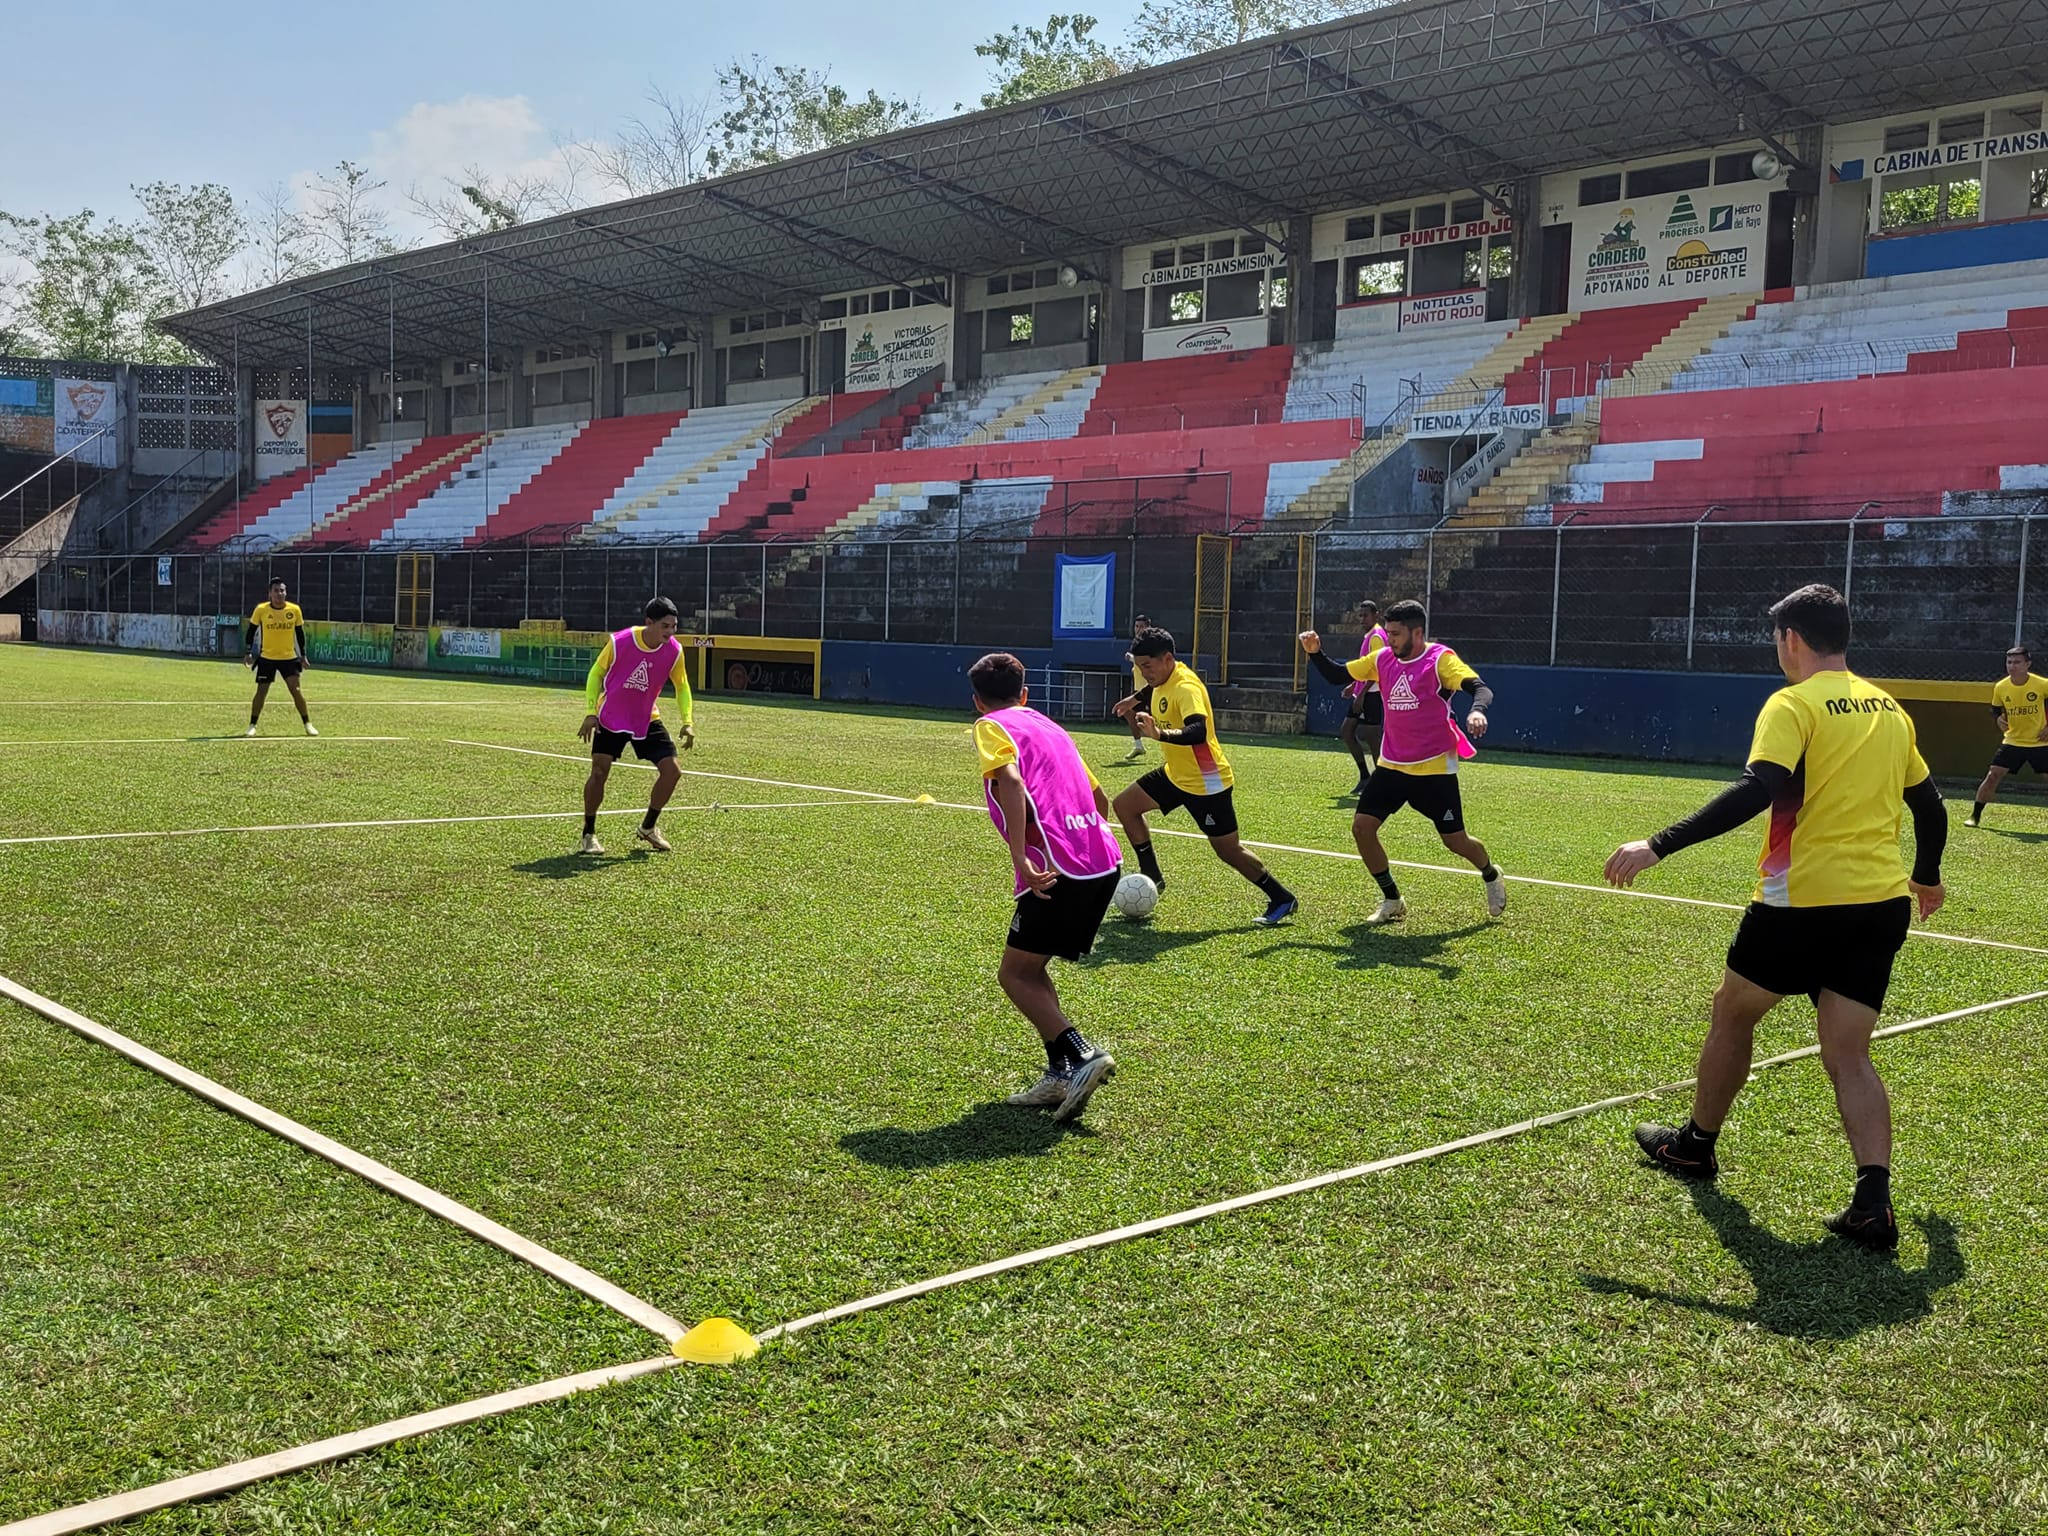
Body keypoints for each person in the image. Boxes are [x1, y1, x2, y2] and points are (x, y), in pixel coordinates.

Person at [1603, 583, 1948, 1253]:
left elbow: (1758, 791)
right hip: (1879, 906)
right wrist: (1926, 876)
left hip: (1800, 902)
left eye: (1777, 640)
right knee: (1849, 1053)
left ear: (1791, 639)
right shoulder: (1889, 708)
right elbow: (1930, 809)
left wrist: (1657, 844)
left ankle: (1695, 1147)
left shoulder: (1792, 705)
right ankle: (1873, 1199)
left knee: (1733, 1011)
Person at [972, 651, 1122, 1122]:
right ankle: (1059, 1076)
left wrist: (1021, 856)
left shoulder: (992, 727)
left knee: (1014, 975)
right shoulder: (1051, 727)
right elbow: (1099, 797)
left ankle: (1082, 1054)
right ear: (1026, 693)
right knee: (1033, 971)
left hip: (1058, 869)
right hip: (1101, 862)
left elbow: (1011, 783)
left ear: (978, 701)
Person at [1300, 599, 1505, 925]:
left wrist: (1477, 710)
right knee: (1362, 828)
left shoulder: (1440, 660)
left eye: (1396, 634)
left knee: (1455, 841)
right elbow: (1338, 675)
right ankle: (1392, 899)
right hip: (1392, 765)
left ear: (1417, 632)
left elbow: (1479, 688)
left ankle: (1490, 873)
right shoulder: (1382, 659)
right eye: (1389, 632)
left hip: (1434, 767)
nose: (1389, 639)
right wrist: (1314, 651)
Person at [1111, 627, 1298, 925]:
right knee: (1124, 805)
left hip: (1206, 782)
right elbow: (1154, 688)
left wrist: (1158, 733)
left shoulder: (1186, 687)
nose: (1143, 672)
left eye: (1147, 666)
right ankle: (1153, 877)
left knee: (1228, 850)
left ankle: (1281, 897)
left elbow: (1198, 731)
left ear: (1167, 658)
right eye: (1138, 666)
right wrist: (1134, 699)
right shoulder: (1164, 676)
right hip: (1176, 775)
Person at [576, 597, 696, 855]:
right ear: (649, 623)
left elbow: (682, 685)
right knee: (599, 773)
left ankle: (648, 827)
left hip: (646, 717)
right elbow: (596, 673)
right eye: (665, 626)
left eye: (674, 626)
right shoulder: (620, 642)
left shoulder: (674, 651)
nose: (671, 632)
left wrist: (687, 721)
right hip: (611, 716)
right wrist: (589, 712)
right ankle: (589, 833)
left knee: (672, 771)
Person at [1966, 645, 2046, 827]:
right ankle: (1975, 816)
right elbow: (1995, 709)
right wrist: (1998, 719)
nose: (2012, 666)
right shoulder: (2001, 687)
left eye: (2017, 662)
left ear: (2028, 664)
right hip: (2013, 741)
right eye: (2009, 662)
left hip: (2040, 742)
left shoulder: (2041, 684)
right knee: (1993, 775)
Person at [245, 577, 316, 736]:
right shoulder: (261, 609)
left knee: (296, 690)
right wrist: (248, 652)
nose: (279, 594)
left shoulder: (294, 610)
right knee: (261, 692)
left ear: (286, 592)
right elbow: (251, 631)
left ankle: (307, 724)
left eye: (282, 590)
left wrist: (303, 655)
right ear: (270, 593)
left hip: (288, 658)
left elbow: (300, 634)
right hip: (267, 658)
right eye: (276, 590)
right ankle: (252, 725)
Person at [1337, 600, 1388, 794]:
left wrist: (1362, 693)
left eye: (1366, 615)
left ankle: (1381, 781)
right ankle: (1366, 776)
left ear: (1376, 615)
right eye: (1360, 615)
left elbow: (1377, 670)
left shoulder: (1376, 636)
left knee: (1372, 737)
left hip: (1372, 694)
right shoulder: (1370, 635)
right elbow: (1367, 668)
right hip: (1363, 692)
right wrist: (1354, 685)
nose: (1362, 619)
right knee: (1347, 732)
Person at [1111, 613, 1155, 763]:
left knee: (1163, 719)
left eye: (1142, 626)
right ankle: (1138, 745)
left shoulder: (1151, 642)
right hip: (1140, 689)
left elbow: (1148, 660)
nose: (1138, 629)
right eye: (1136, 626)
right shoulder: (1137, 643)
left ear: (1148, 627)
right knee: (1128, 712)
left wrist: (1131, 658)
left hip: (1151, 688)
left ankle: (1176, 749)